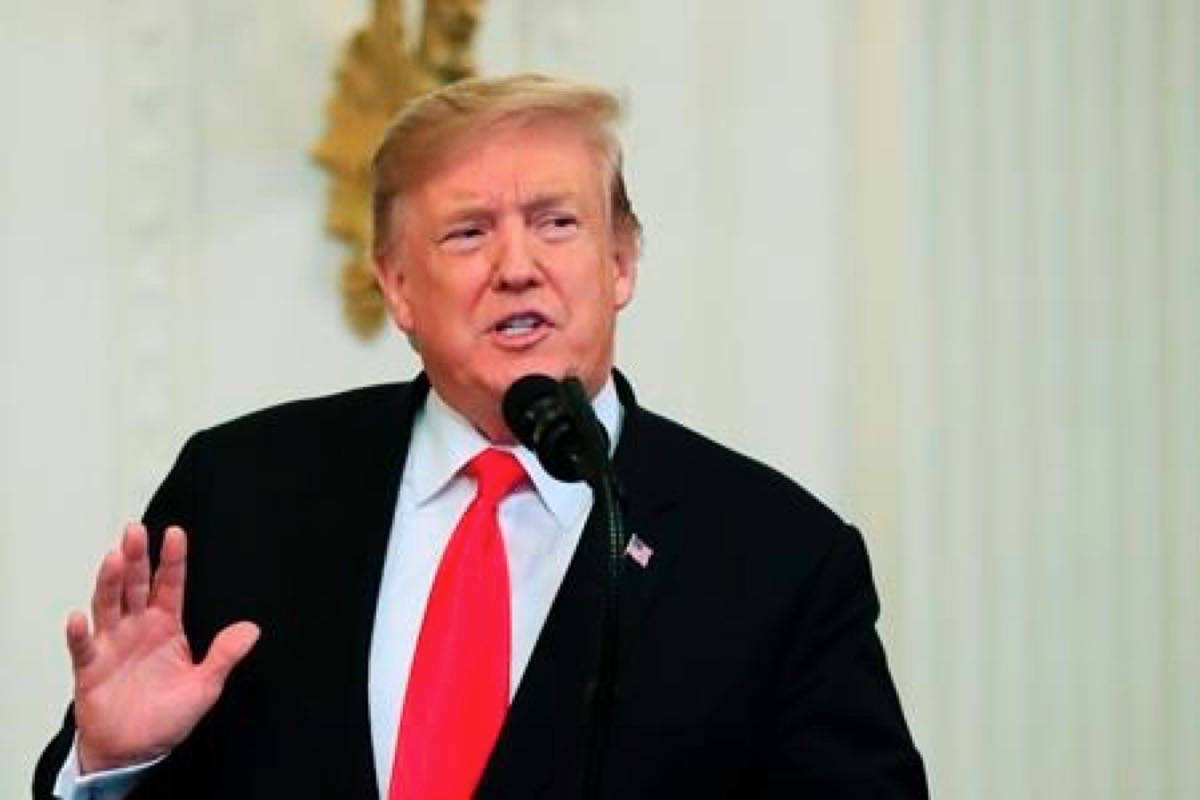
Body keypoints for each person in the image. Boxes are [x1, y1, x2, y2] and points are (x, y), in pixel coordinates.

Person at [34, 74, 927, 799]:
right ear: (398, 289)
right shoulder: (242, 491)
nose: (516, 266)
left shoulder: (779, 559)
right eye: (468, 233)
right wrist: (112, 767)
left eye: (556, 222)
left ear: (621, 264)